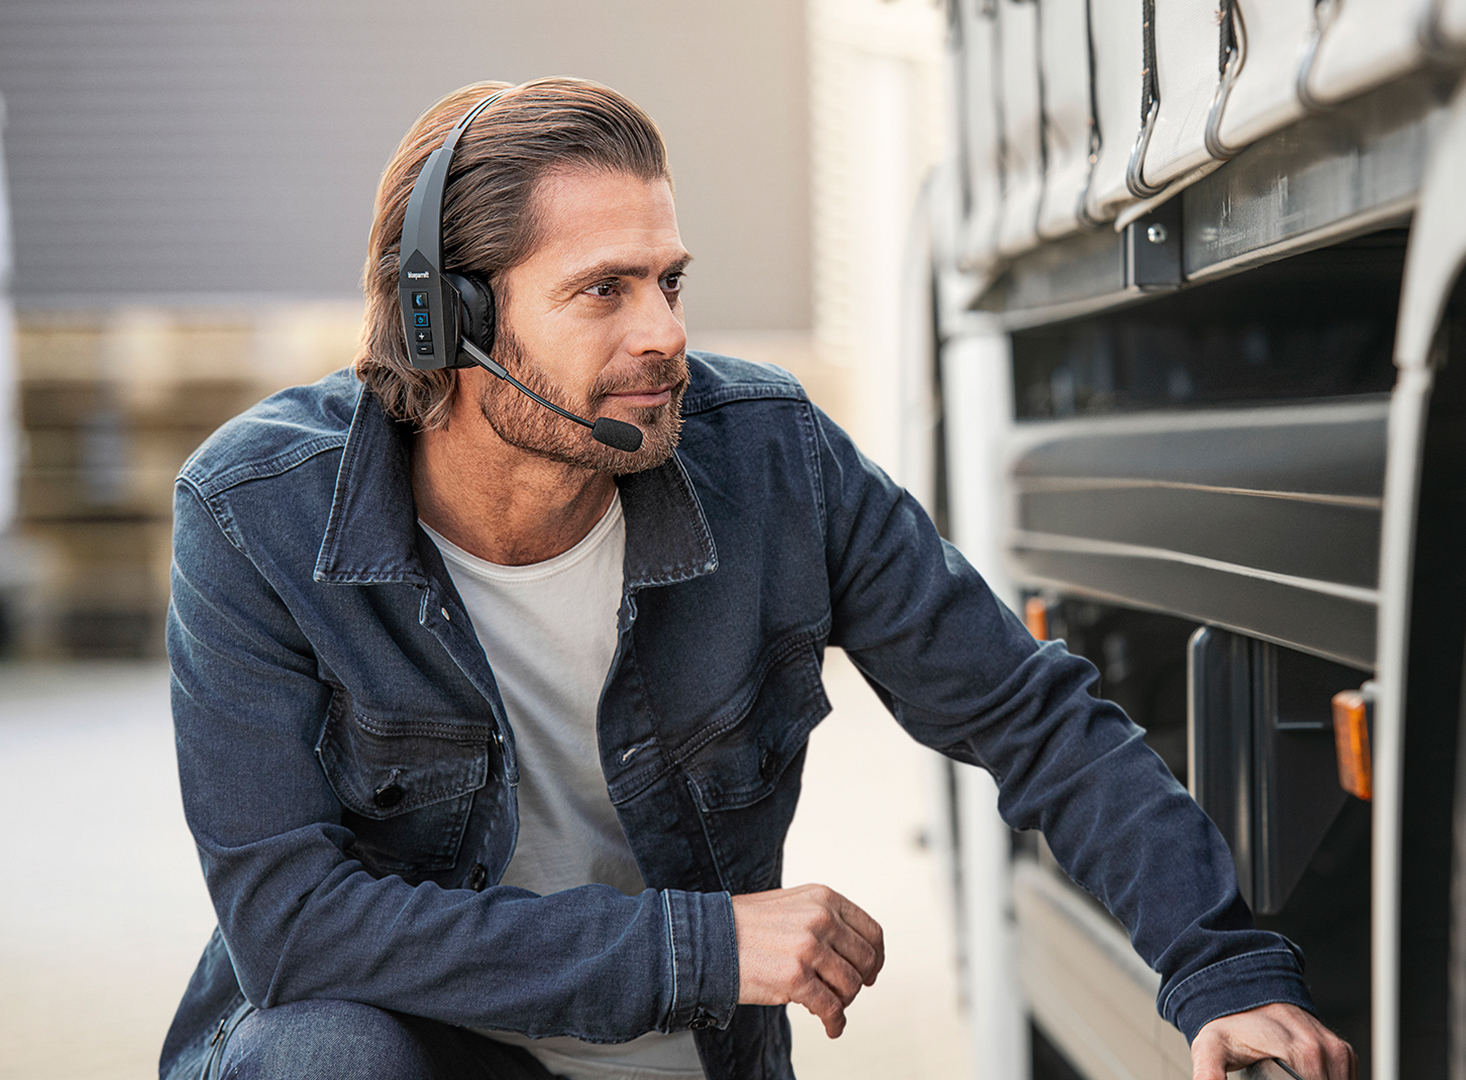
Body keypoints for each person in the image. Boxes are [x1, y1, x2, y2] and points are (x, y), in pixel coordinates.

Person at [159, 77, 1356, 1080]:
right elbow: (294, 926)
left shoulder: (773, 459)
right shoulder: (257, 516)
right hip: (414, 1057)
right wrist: (704, 950)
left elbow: (1028, 714)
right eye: (604, 290)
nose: (667, 333)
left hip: (689, 1063)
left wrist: (1223, 973)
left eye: (668, 281)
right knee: (323, 1058)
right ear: (442, 320)